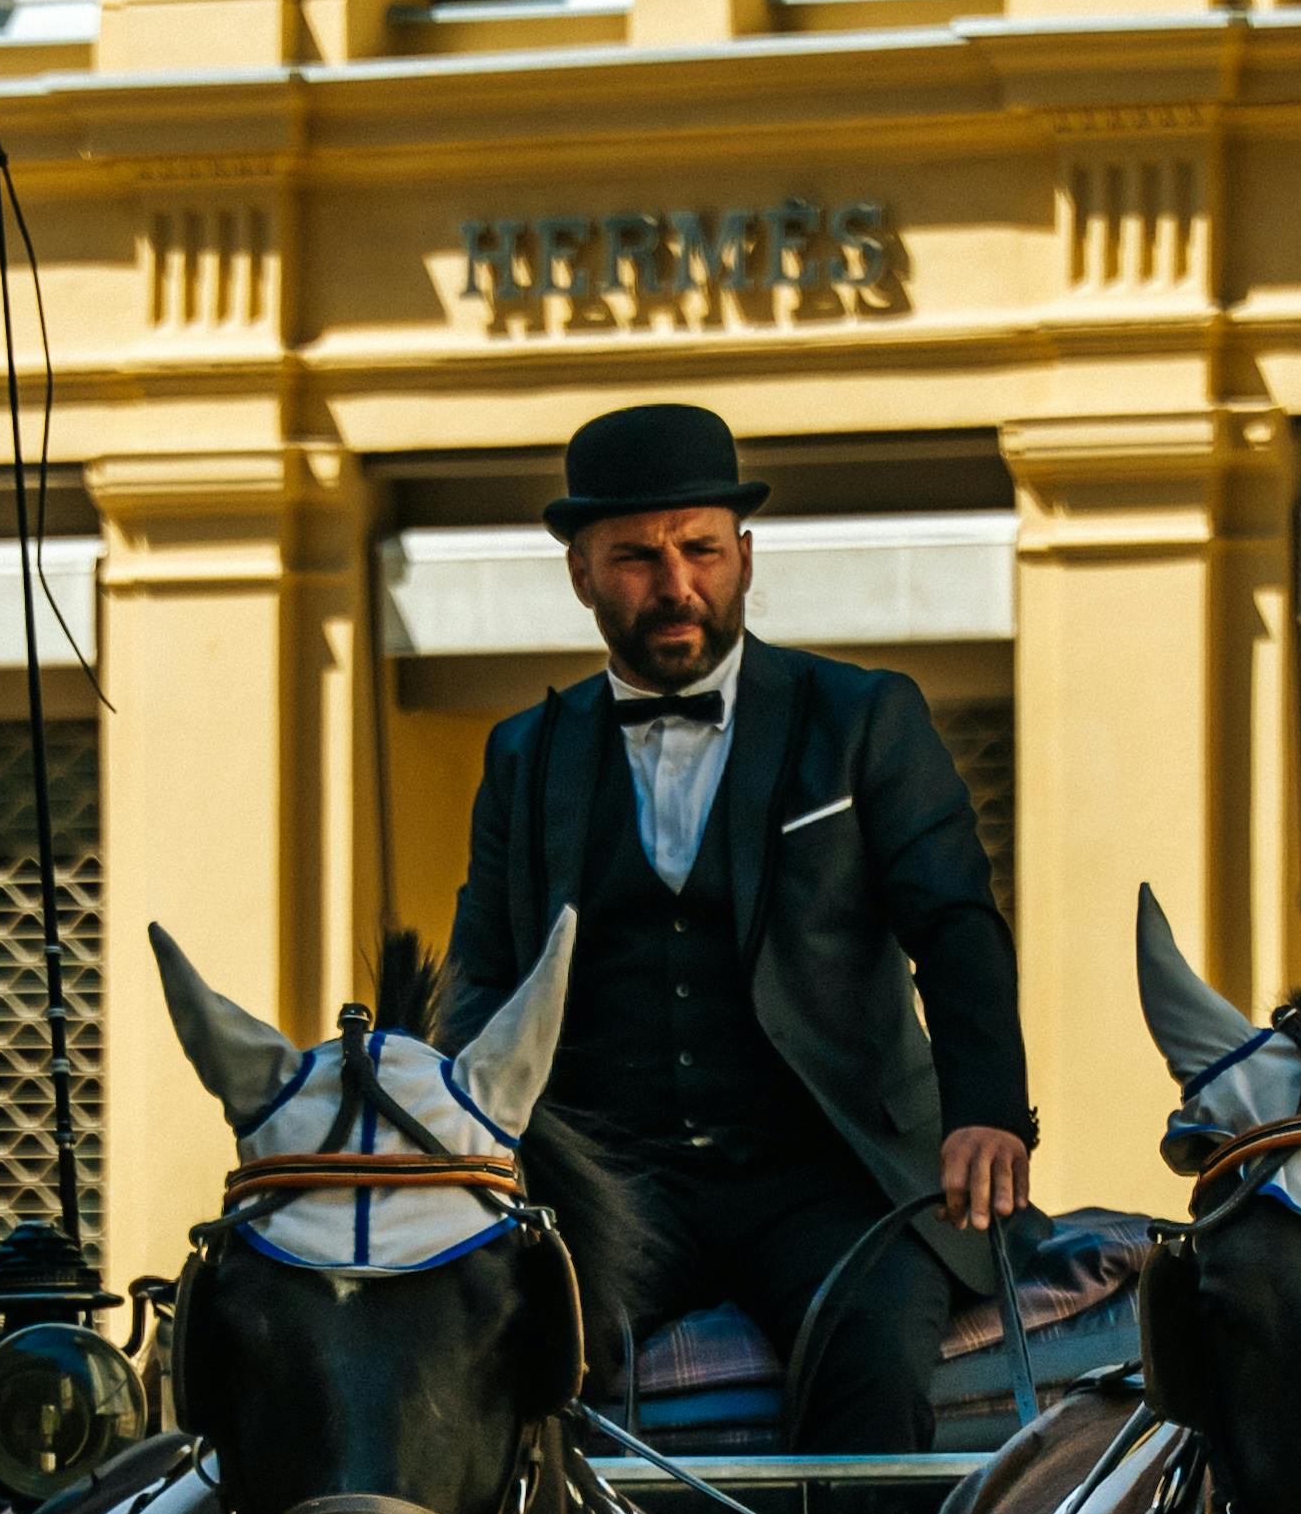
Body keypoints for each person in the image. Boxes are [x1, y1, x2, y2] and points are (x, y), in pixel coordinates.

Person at [437, 401, 1034, 1450]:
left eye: (700, 550)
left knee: (877, 1360)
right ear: (581, 574)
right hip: (612, 1181)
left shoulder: (862, 719)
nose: (675, 586)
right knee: (499, 1363)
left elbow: (952, 923)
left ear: (743, 557)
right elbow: (484, 975)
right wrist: (458, 1140)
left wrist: (984, 1111)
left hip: (828, 1172)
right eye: (635, 557)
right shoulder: (524, 757)